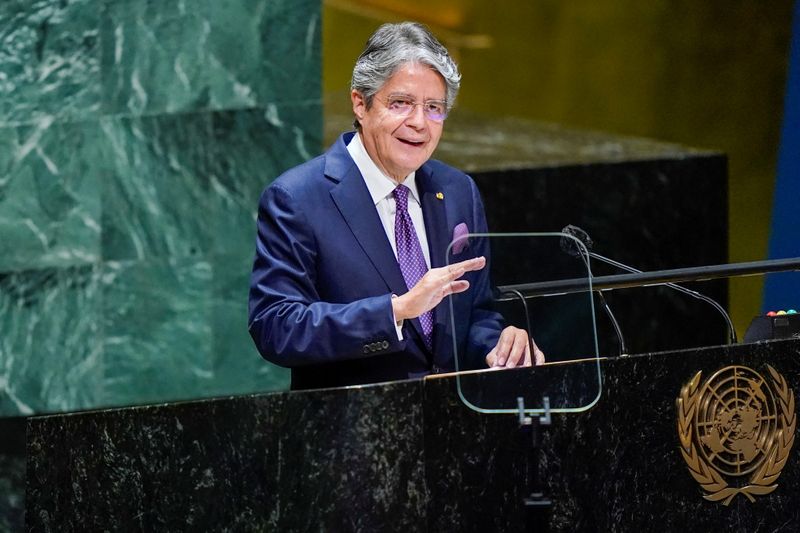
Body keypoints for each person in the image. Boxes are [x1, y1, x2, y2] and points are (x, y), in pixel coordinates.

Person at [248, 22, 544, 390]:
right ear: (360, 103)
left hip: (452, 428)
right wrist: (395, 312)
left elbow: (476, 311)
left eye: (434, 107)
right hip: (351, 432)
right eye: (401, 103)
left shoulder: (458, 191)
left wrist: (499, 344)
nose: (419, 123)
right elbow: (276, 326)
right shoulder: (298, 198)